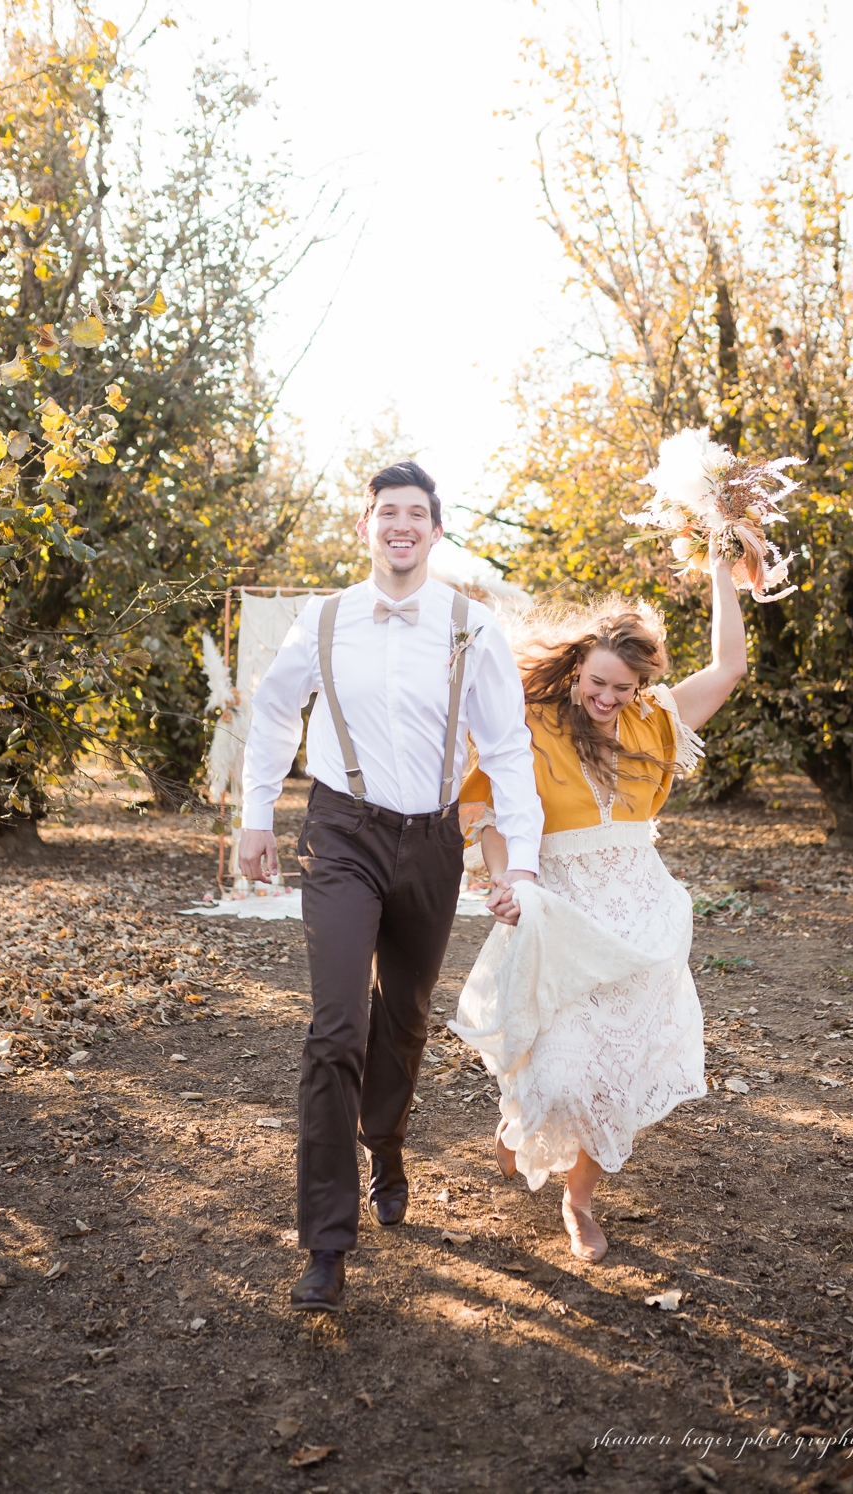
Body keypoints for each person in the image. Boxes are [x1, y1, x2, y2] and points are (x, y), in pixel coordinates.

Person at [236, 461, 546, 1312]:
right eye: (387, 513)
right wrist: (255, 812)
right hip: (341, 833)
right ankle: (327, 1243)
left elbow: (509, 749)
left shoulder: (471, 626)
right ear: (365, 526)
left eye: (417, 513)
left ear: (436, 532)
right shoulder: (324, 618)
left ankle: (388, 1144)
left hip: (434, 841)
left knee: (404, 1019)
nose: (401, 525)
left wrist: (519, 861)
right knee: (336, 1025)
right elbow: (272, 710)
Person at [448, 557, 746, 1264]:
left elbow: (729, 666)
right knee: (563, 1063)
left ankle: (577, 1201)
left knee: (614, 1069)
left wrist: (720, 567)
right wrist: (503, 881)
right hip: (561, 908)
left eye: (624, 687)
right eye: (597, 682)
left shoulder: (656, 721)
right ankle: (524, 1119)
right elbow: (487, 814)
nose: (608, 698)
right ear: (577, 666)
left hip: (641, 914)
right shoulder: (528, 723)